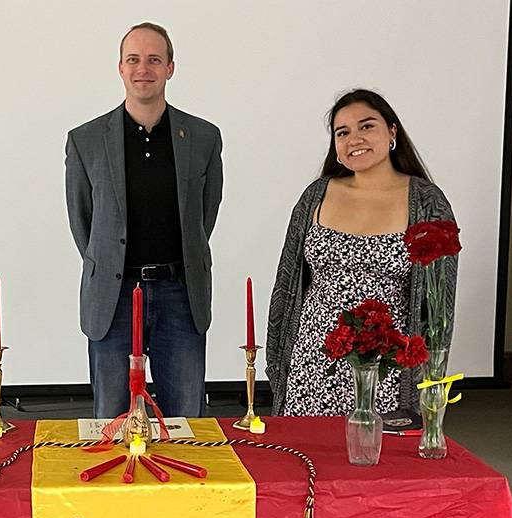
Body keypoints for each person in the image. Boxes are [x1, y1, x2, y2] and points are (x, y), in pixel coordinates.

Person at [265, 89, 458, 416]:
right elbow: (286, 286)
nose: (355, 138)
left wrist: (429, 379)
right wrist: (277, 361)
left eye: (366, 126)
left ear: (392, 131)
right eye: (343, 132)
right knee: (309, 457)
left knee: (376, 460)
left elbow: (440, 304)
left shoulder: (427, 202)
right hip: (312, 360)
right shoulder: (317, 194)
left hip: (386, 367)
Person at [65, 22, 223, 418]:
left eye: (154, 59)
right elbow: (83, 221)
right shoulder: (85, 140)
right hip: (113, 298)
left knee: (185, 423)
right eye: (133, 59)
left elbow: (205, 214)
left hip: (179, 296)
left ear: (171, 67)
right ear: (120, 68)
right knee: (112, 424)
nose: (143, 69)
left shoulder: (204, 137)